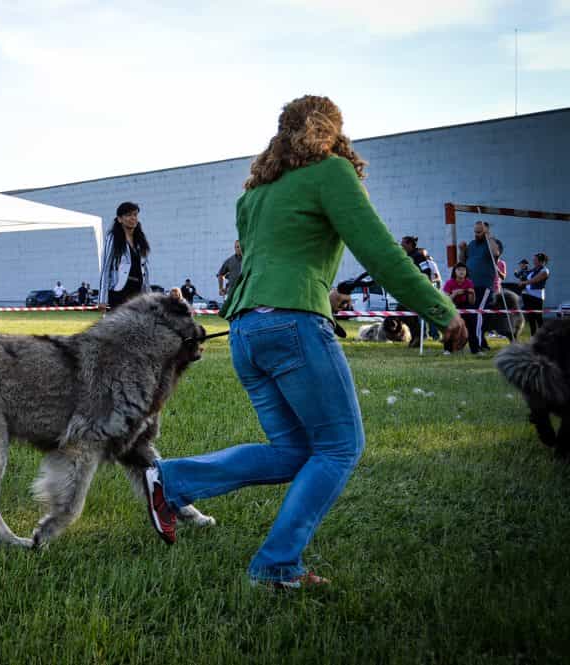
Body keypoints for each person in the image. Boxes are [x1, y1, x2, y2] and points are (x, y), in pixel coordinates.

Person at [139, 95, 466, 591]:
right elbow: (380, 253)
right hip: (293, 327)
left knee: (294, 451)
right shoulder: (332, 173)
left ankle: (172, 480)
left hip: (249, 332)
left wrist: (318, 286)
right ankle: (275, 565)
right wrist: (441, 310)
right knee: (340, 447)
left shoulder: (254, 195)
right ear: (331, 130)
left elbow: (267, 262)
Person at [459, 221, 501, 353]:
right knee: (471, 315)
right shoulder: (471, 244)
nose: (476, 234)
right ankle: (478, 343)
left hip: (484, 286)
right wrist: (462, 250)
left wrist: (489, 237)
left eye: (479, 231)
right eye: (475, 231)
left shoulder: (493, 243)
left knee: (477, 314)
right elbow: (462, 262)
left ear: (486, 232)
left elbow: (496, 253)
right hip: (470, 285)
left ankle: (477, 346)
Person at [98, 202, 151, 309]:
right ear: (120, 219)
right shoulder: (112, 238)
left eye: (135, 215)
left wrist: (149, 296)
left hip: (138, 293)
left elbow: (145, 270)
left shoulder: (140, 240)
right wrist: (102, 299)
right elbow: (106, 268)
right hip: (119, 291)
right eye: (128, 215)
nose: (133, 218)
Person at [442, 263, 477, 355]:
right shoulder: (449, 283)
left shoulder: (469, 282)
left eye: (463, 270)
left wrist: (472, 294)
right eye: (459, 270)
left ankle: (475, 350)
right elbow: (446, 300)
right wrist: (455, 294)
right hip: (452, 306)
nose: (461, 272)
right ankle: (447, 349)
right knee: (450, 327)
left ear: (466, 272)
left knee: (472, 326)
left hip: (466, 306)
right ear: (454, 272)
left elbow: (472, 302)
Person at [519, 252, 550, 336]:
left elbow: (535, 280)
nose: (533, 261)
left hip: (537, 297)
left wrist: (524, 283)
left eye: (535, 260)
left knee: (539, 319)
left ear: (540, 261)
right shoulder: (533, 270)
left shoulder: (545, 270)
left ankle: (543, 337)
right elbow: (525, 276)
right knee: (531, 319)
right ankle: (533, 338)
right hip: (528, 296)